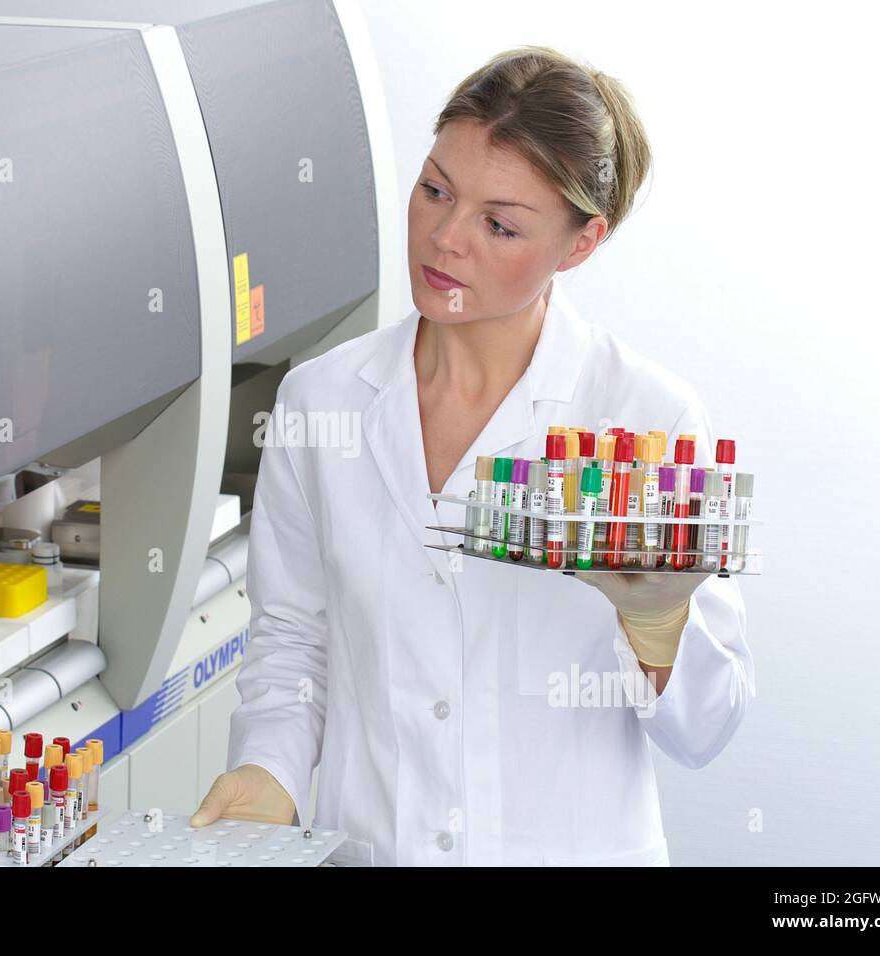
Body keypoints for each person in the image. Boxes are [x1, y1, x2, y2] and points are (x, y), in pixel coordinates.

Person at [191, 46, 753, 865]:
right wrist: (268, 769)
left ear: (580, 243)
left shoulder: (648, 419)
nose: (445, 239)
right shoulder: (323, 402)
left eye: (500, 224)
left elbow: (706, 730)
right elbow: (292, 637)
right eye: (434, 190)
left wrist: (658, 624)